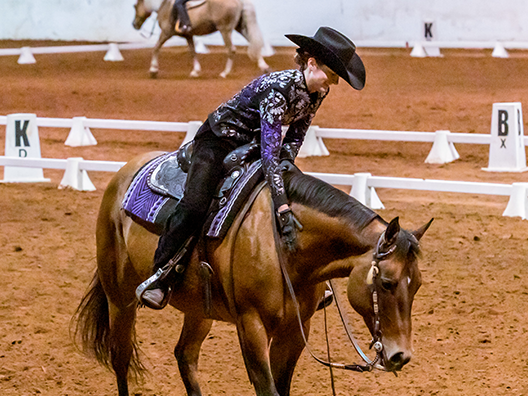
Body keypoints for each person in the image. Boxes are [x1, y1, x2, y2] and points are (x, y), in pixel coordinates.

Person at [136, 26, 366, 310]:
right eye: (332, 75)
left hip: (253, 144)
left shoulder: (317, 92)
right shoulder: (277, 90)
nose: (334, 83)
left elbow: (293, 140)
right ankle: (161, 274)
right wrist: (281, 205)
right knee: (196, 204)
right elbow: (271, 153)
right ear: (311, 64)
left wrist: (287, 170)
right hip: (218, 141)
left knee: (296, 189)